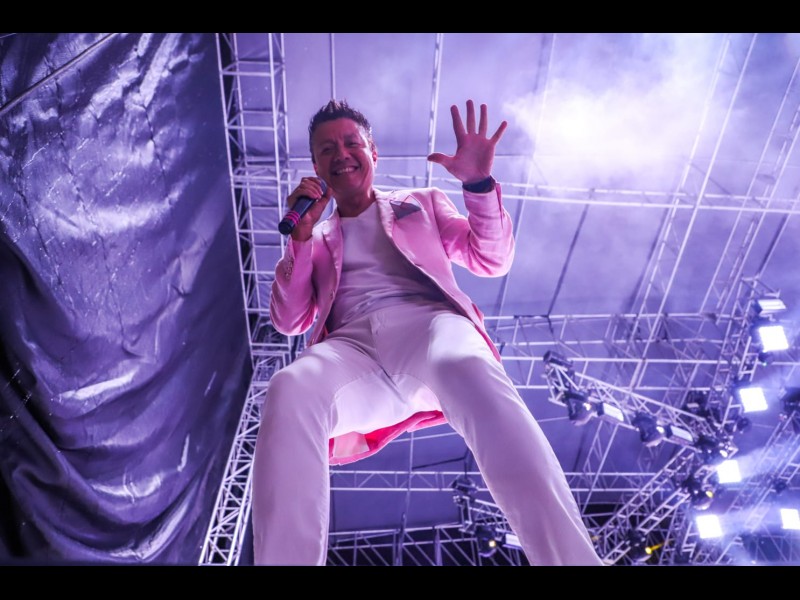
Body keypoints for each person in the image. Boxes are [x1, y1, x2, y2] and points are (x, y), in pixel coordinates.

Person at [251, 98, 605, 566]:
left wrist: (477, 184)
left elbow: (491, 258)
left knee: (466, 363)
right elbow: (289, 320)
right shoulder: (312, 238)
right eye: (326, 150)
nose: (341, 154)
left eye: (352, 143)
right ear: (315, 167)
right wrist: (298, 240)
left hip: (429, 326)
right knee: (290, 386)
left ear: (373, 153)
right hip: (351, 351)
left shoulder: (421, 202)